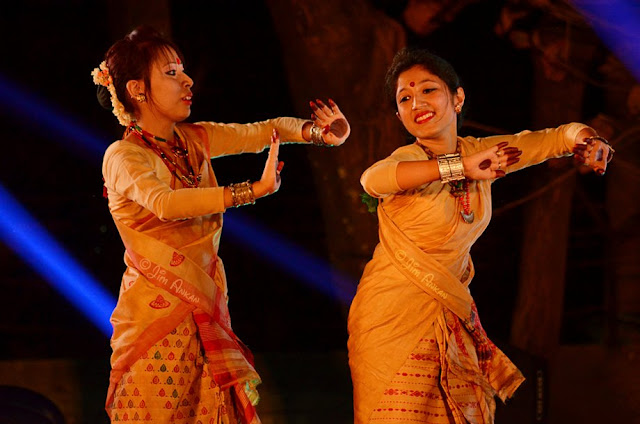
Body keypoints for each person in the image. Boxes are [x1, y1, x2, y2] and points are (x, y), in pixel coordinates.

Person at [92, 26, 350, 424]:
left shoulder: (195, 140)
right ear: (137, 89)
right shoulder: (123, 156)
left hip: (208, 308)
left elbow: (263, 132)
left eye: (183, 70)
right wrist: (250, 191)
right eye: (171, 73)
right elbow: (165, 203)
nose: (187, 80)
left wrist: (319, 133)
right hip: (156, 321)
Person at [347, 47, 613, 424]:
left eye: (428, 90)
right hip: (391, 317)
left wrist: (588, 141)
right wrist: (460, 167)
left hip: (449, 312)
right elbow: (371, 181)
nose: (417, 103)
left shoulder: (485, 152)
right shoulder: (407, 161)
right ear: (399, 115)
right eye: (404, 98)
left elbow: (556, 137)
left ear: (457, 98)